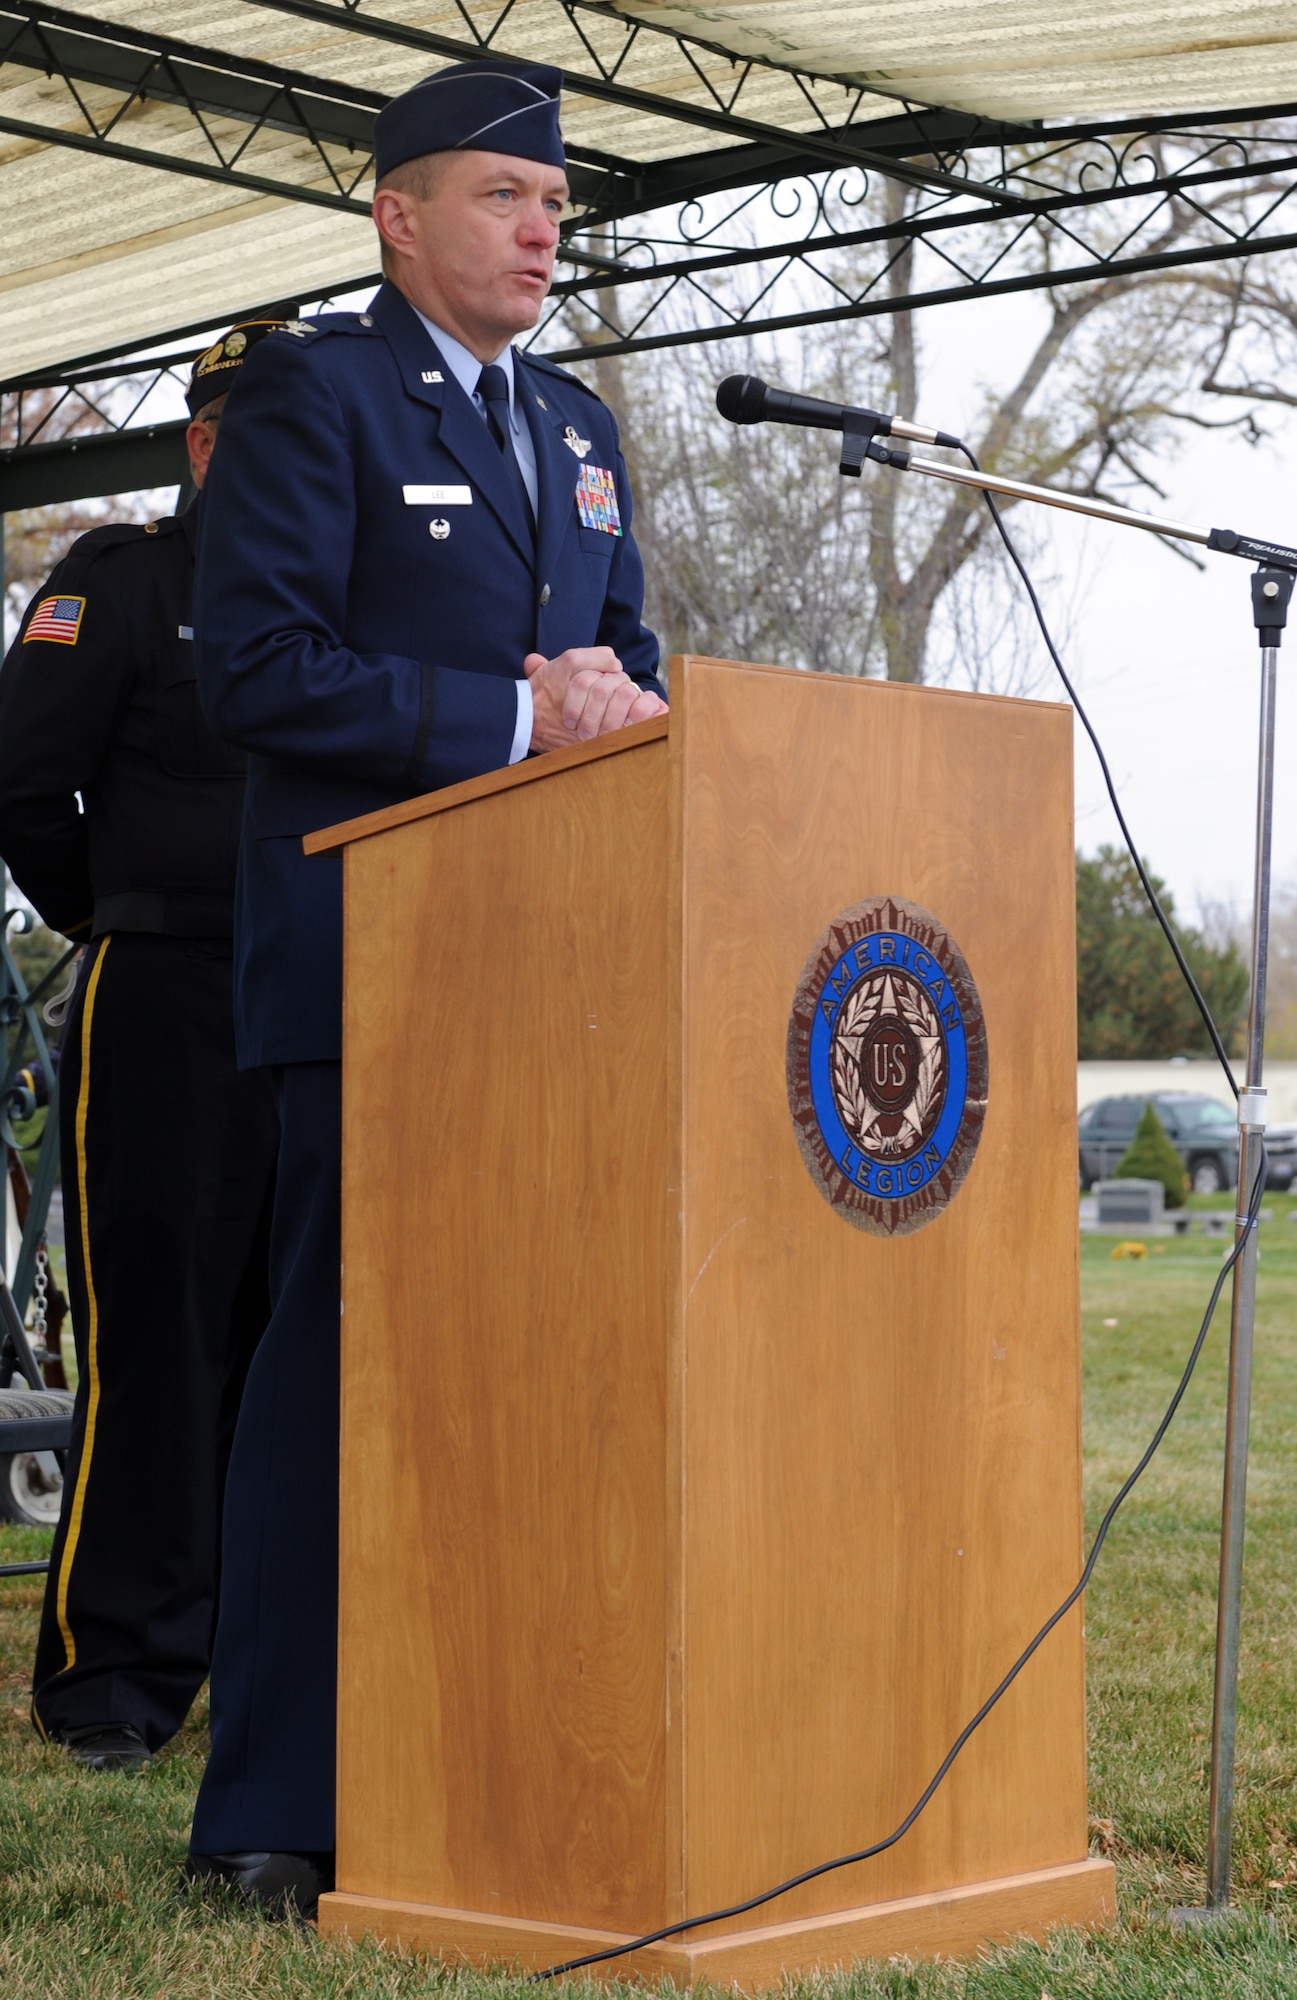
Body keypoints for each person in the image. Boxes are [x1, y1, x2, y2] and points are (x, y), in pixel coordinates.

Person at [183, 57, 667, 1915]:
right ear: (396, 215)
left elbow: (614, 662)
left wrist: (624, 708)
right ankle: (271, 1812)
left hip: (556, 997)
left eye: (553, 206)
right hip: (369, 976)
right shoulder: (312, 393)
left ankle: (487, 1756)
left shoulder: (579, 426)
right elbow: (262, 674)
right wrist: (512, 716)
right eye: (501, 196)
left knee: (519, 1389)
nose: (542, 227)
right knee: (332, 1391)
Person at [0, 316, 290, 1770]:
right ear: (205, 442)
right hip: (166, 992)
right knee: (155, 1344)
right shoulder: (124, 580)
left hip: (319, 1004)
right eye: (269, 435)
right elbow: (22, 787)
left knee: (288, 1343)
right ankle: (113, 1679)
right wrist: (124, 914)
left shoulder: (338, 605)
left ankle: (269, 1660)